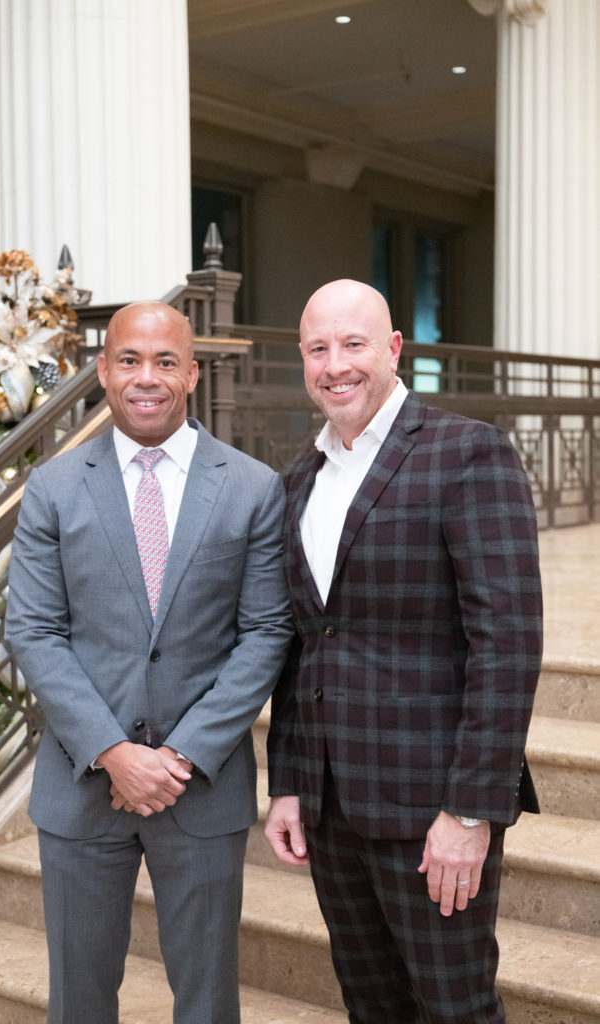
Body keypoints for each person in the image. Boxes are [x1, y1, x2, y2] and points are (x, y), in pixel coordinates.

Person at [6, 300, 292, 1024]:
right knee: (79, 999)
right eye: (129, 359)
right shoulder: (54, 487)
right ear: (102, 371)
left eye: (166, 361)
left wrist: (183, 754)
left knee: (205, 1000)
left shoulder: (253, 487)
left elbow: (264, 631)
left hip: (201, 789)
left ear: (192, 373)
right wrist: (112, 751)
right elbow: (35, 630)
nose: (147, 377)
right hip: (81, 788)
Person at [264, 280, 543, 1024]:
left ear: (392, 349)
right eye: (317, 349)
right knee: (372, 1006)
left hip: (431, 811)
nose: (334, 365)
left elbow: (506, 644)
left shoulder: (466, 453)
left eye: (352, 344)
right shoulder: (301, 478)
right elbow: (303, 644)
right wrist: (289, 782)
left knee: (454, 1010)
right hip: (330, 810)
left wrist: (471, 810)